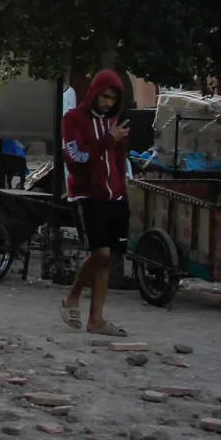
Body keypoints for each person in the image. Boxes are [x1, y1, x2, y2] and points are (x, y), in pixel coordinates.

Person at [61, 71, 132, 337]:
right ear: (94, 93)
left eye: (113, 98)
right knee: (99, 253)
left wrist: (123, 188)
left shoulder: (115, 122)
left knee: (107, 258)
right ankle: (73, 296)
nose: (107, 102)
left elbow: (119, 159)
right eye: (104, 96)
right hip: (86, 195)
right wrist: (106, 140)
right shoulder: (73, 119)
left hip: (114, 195)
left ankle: (97, 318)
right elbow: (76, 158)